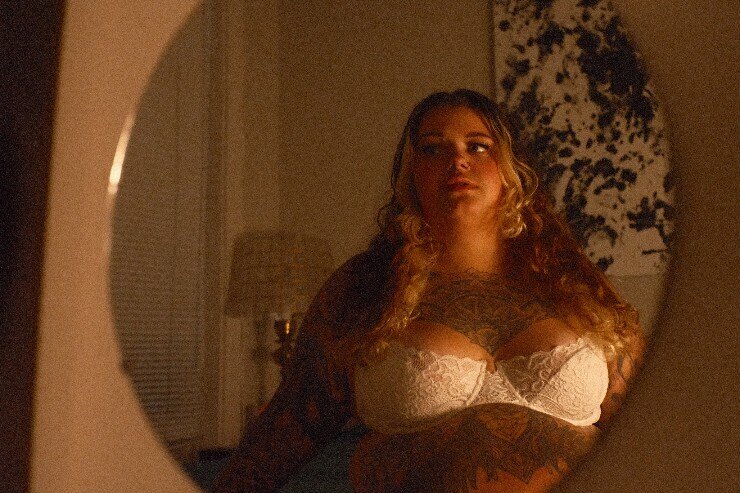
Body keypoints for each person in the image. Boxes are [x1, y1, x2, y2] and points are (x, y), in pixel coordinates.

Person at [213, 89, 645, 493]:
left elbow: (649, 422)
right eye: (433, 148)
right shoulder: (365, 286)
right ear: (411, 173)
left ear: (510, 169)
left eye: (478, 146)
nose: (457, 161)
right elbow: (287, 426)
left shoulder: (577, 284)